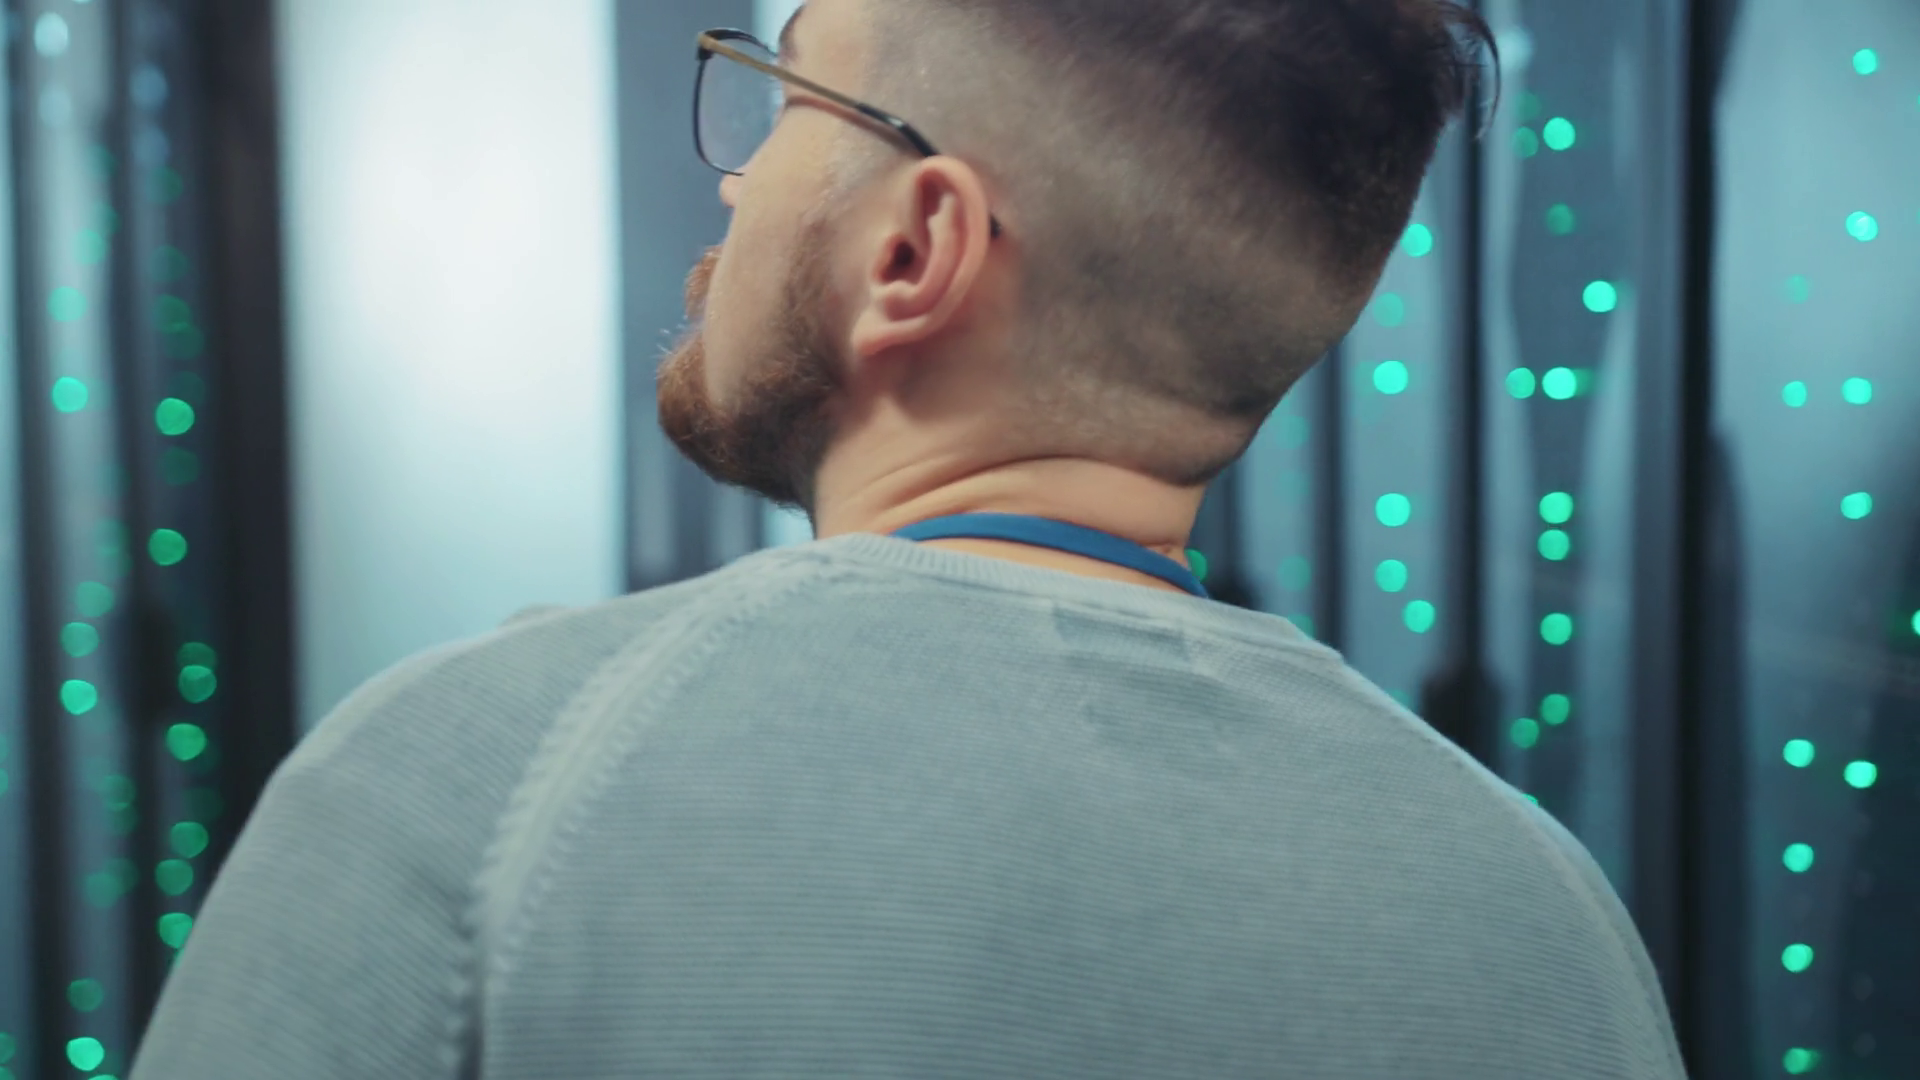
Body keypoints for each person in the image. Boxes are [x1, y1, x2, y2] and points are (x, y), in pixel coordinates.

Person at [132, 0, 1690, 1076]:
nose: (737, 176)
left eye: (786, 101)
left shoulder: (478, 786)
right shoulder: (1548, 929)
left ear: (914, 248)